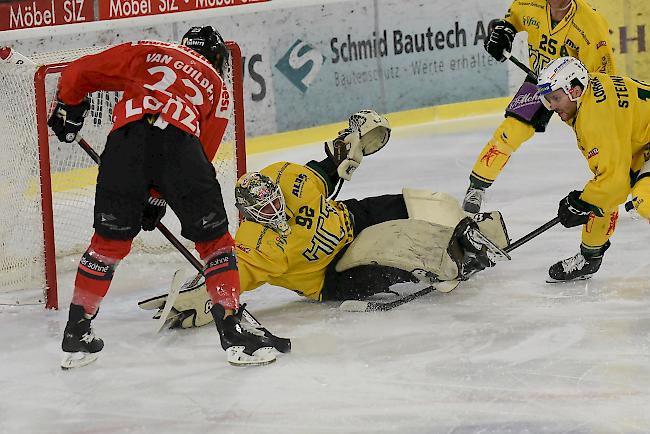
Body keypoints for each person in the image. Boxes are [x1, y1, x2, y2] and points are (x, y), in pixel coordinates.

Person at [139, 110, 511, 329]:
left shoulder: (287, 177)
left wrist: (353, 143)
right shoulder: (255, 248)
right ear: (250, 215)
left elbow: (326, 168)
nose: (273, 213)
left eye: (274, 204)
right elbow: (228, 279)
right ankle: (452, 254)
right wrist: (193, 299)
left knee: (429, 203)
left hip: (352, 217)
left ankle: (475, 229)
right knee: (400, 244)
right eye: (263, 213)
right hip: (333, 274)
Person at [48, 26, 280, 368]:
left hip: (124, 145)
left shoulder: (149, 49)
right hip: (180, 144)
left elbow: (76, 73)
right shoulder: (217, 86)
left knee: (107, 244)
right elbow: (203, 153)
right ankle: (234, 334)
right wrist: (159, 195)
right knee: (215, 243)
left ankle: (76, 332)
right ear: (218, 59)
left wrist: (70, 105)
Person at [462, 0, 617, 280]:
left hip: (579, 99)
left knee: (606, 171)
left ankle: (592, 253)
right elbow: (512, 21)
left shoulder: (592, 27)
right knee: (509, 131)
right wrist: (503, 34)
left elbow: (602, 83)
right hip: (539, 82)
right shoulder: (526, 4)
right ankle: (476, 190)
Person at [535, 56, 650, 281]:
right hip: (642, 143)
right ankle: (589, 257)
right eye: (549, 100)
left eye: (556, 98)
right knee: (599, 195)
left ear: (575, 91)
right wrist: (588, 200)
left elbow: (614, 185)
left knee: (643, 198)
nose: (552, 107)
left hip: (643, 145)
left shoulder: (595, 120)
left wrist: (580, 203)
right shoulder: (591, 86)